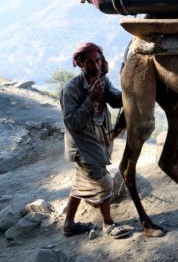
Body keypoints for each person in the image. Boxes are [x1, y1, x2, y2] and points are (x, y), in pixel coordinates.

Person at [60, 42, 131, 239]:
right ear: (81, 64)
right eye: (90, 62)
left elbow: (117, 101)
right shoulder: (71, 89)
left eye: (98, 60)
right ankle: (108, 223)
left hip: (99, 141)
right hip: (83, 146)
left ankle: (69, 224)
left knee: (81, 182)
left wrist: (129, 85)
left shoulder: (102, 80)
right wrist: (90, 101)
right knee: (104, 182)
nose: (96, 65)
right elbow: (72, 122)